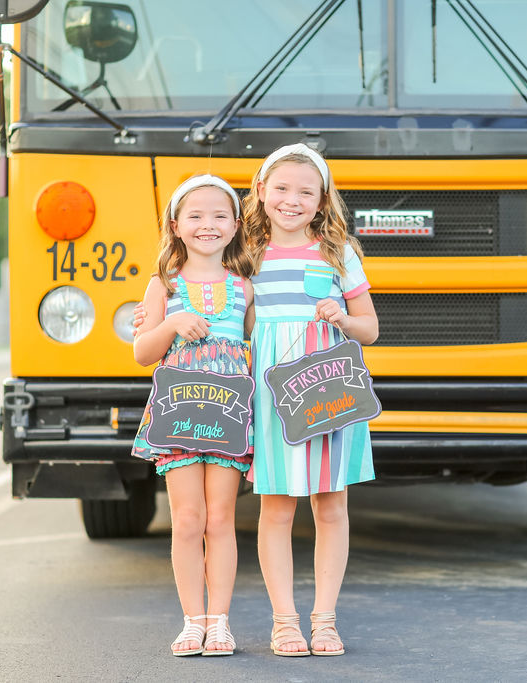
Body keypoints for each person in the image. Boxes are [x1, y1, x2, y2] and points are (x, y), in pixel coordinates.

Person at [243, 143, 378, 656]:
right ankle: (284, 620)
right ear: (261, 192)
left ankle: (325, 619)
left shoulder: (337, 254)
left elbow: (370, 328)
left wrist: (342, 318)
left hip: (328, 391)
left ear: (322, 201)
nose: (292, 200)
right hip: (272, 393)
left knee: (331, 505)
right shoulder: (247, 256)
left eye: (306, 191)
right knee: (276, 507)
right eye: (281, 188)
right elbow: (220, 306)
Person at [131, 174, 255, 657]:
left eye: (220, 215)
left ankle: (220, 622)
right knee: (186, 519)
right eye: (196, 216)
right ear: (176, 226)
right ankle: (192, 621)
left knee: (221, 518)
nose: (209, 225)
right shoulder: (162, 285)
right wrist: (171, 324)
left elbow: (256, 345)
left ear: (236, 224)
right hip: (179, 411)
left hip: (226, 412)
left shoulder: (245, 287)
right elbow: (142, 352)